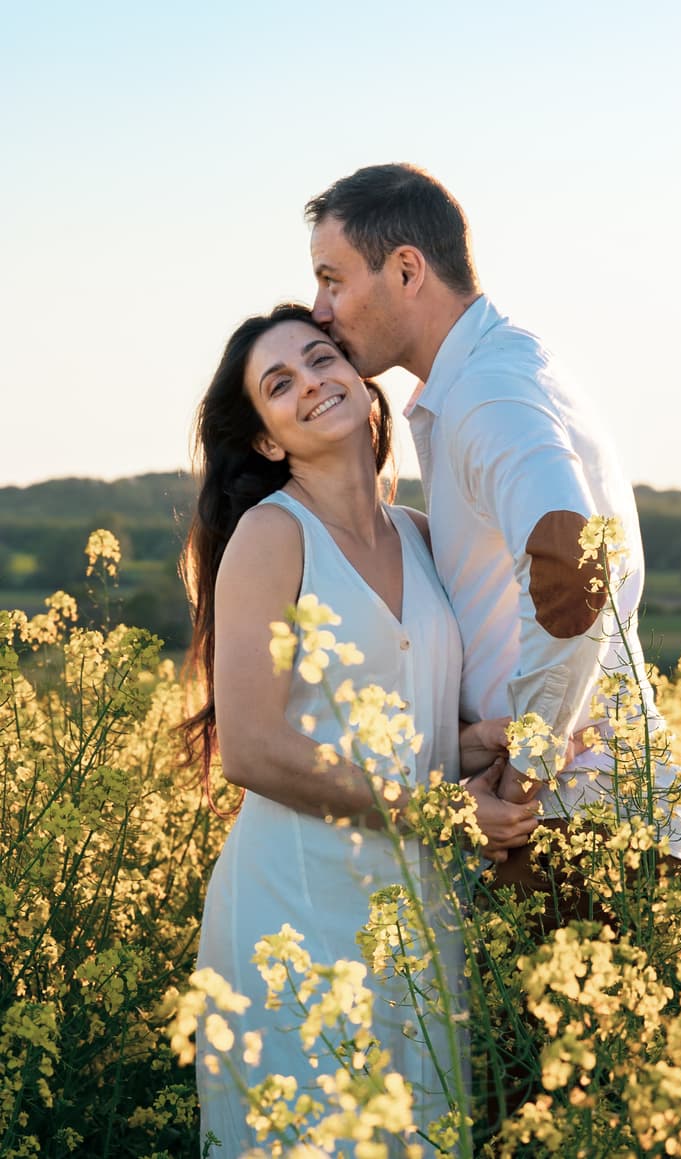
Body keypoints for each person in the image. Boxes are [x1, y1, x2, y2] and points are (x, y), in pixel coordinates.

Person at [178, 303, 538, 1154]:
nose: (312, 383)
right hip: (294, 915)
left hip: (417, 913)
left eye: (322, 359)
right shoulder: (272, 537)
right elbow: (255, 747)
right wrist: (444, 811)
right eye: (281, 384)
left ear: (363, 386)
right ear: (266, 440)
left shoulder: (421, 535)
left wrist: (469, 743)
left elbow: (398, 713)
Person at [305, 164, 681, 887]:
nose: (321, 309)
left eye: (333, 279)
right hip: (580, 814)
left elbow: (574, 571)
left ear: (405, 269)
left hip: (571, 821)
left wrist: (521, 778)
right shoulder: (496, 372)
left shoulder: (489, 392)